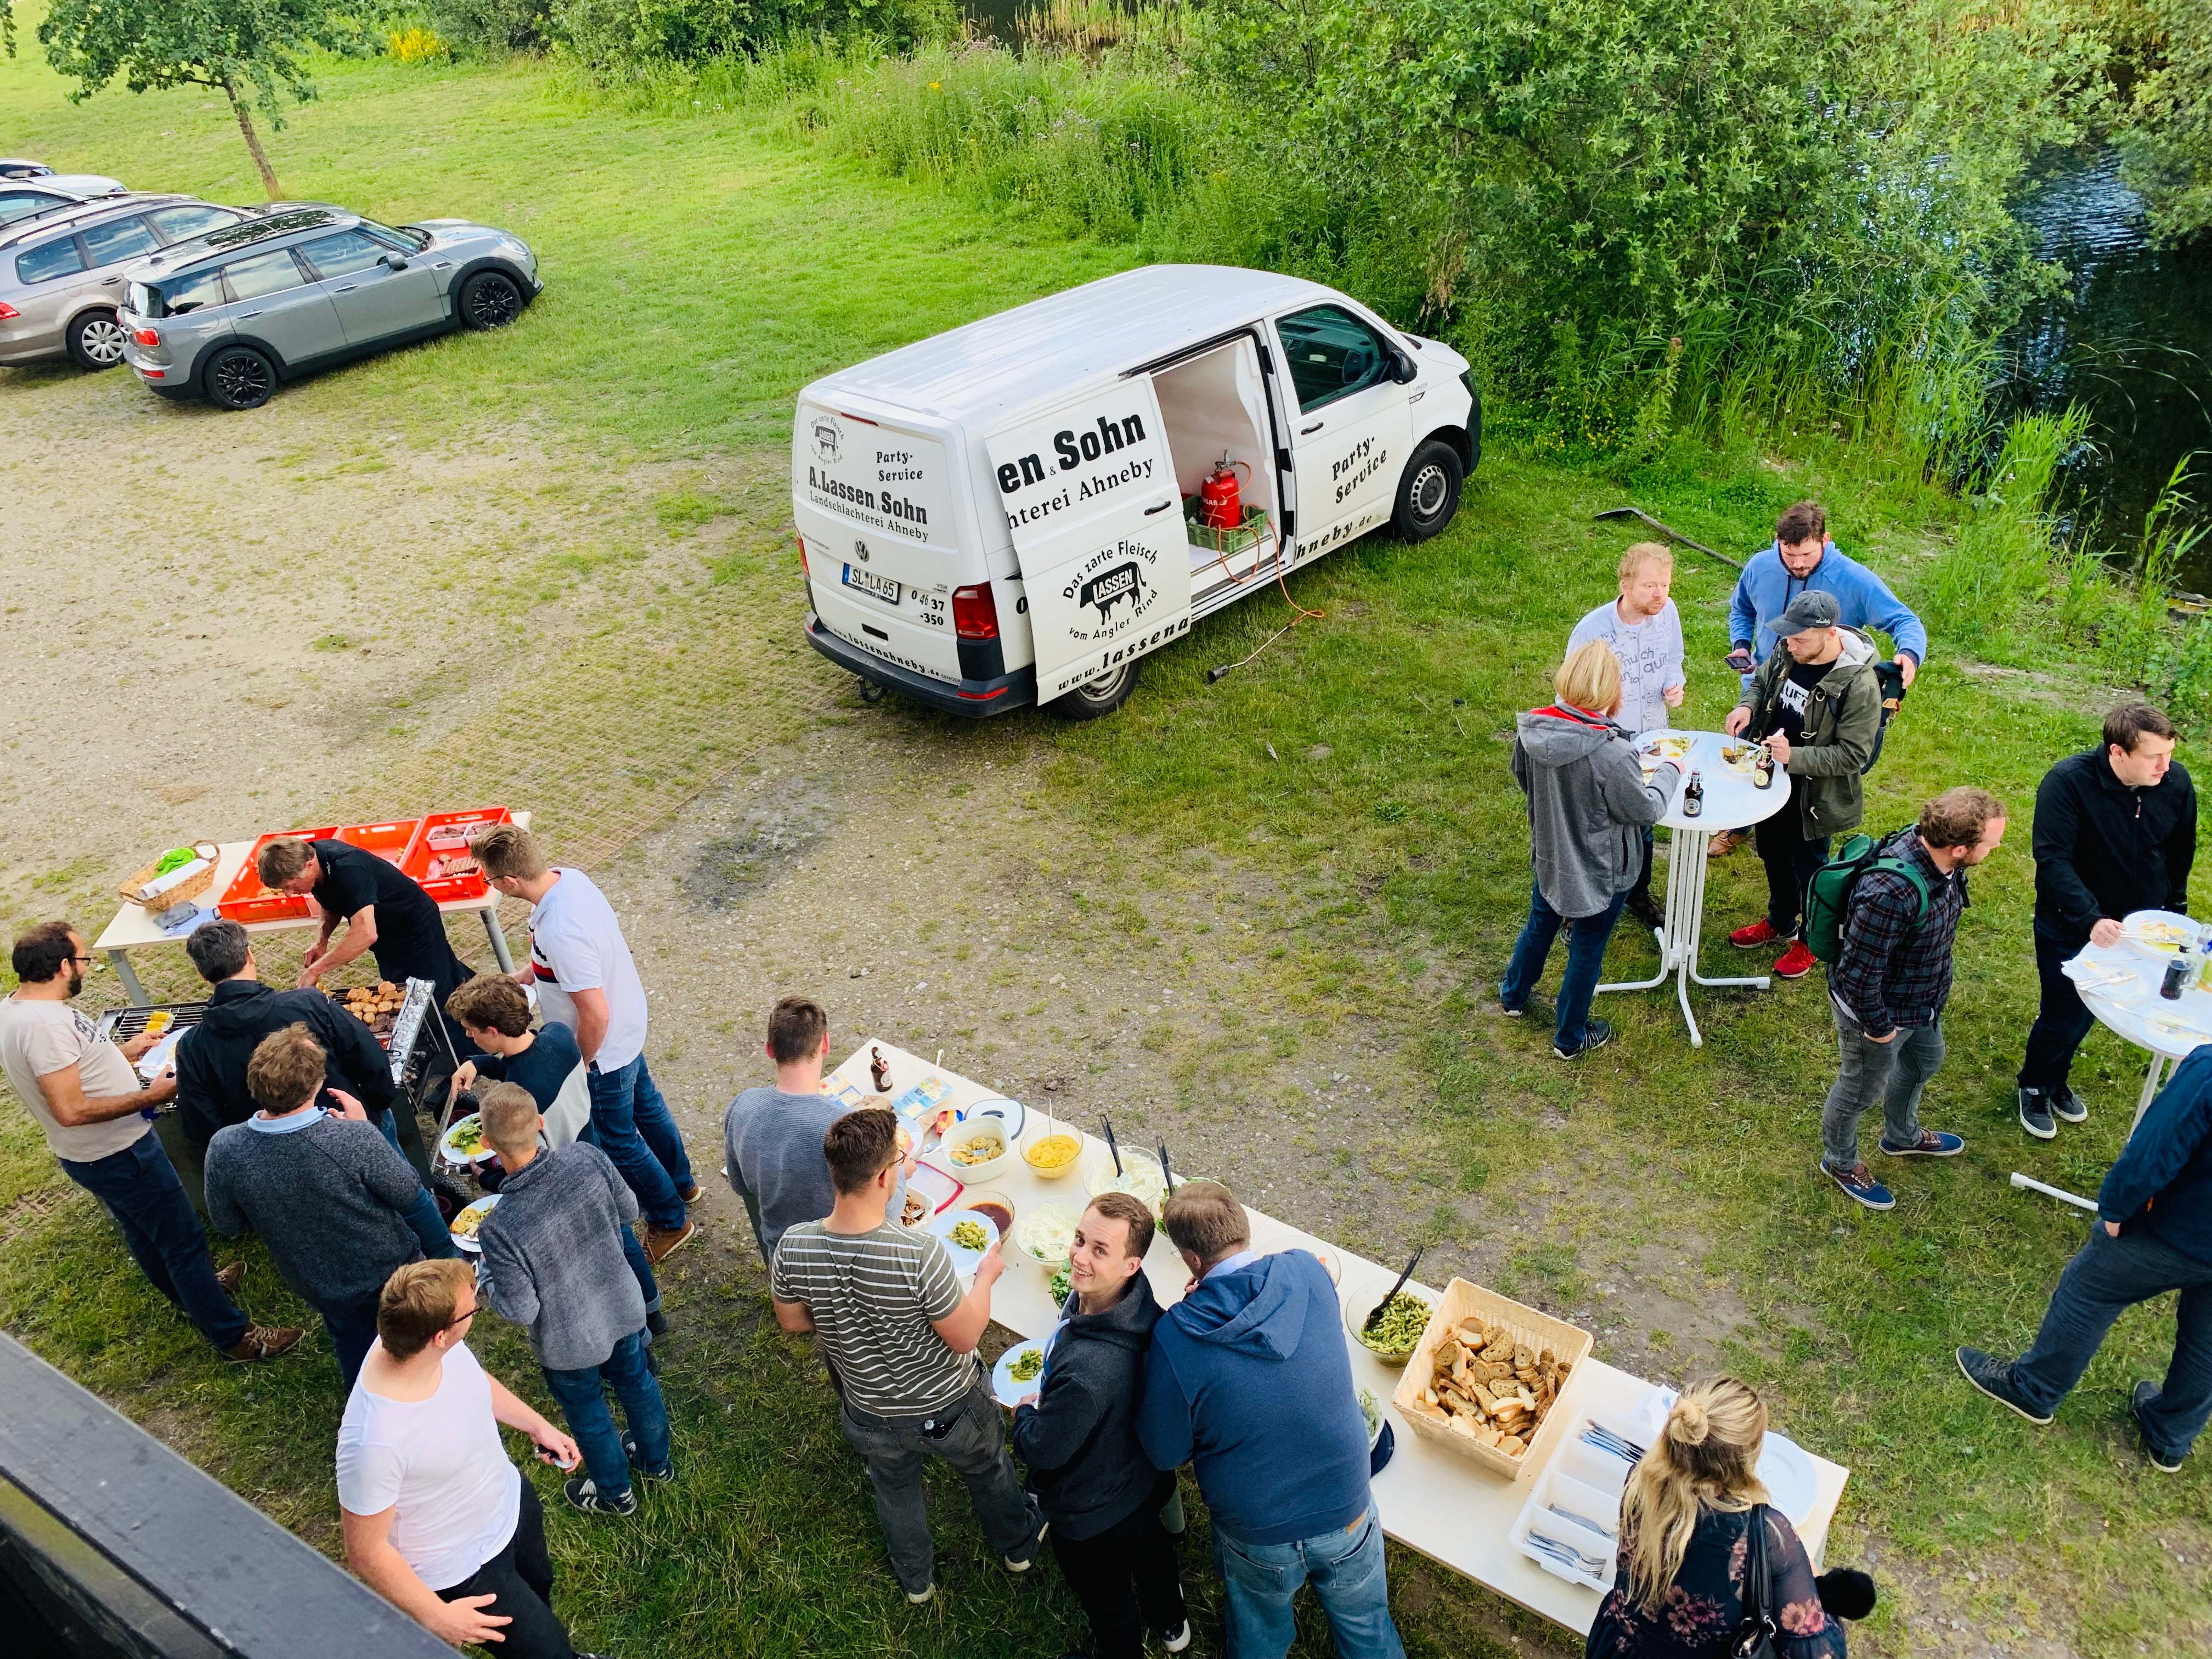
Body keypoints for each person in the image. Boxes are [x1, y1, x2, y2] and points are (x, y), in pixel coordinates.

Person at [771, 1107, 1046, 1604]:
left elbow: (792, 1320)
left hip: (869, 1410)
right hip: (949, 1406)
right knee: (987, 1469)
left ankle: (917, 1580)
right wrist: (985, 1278)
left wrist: (843, 1311)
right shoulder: (917, 1253)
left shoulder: (795, 1244)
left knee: (894, 1488)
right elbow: (964, 1338)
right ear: (883, 1177)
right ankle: (1018, 1545)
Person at [1, 921, 298, 1365]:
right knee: (182, 1243)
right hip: (117, 1153)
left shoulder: (20, 1009)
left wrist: (125, 1051)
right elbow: (70, 1109)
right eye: (83, 960)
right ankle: (234, 1337)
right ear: (63, 966)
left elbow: (69, 1068)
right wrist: (154, 1096)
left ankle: (191, 1293)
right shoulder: (45, 1028)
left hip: (96, 1155)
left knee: (144, 1234)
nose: (87, 968)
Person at [1136, 1181, 1403, 1659]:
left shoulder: (1176, 1336)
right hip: (1347, 1507)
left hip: (1256, 1532)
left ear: (1192, 1261)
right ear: (1244, 1228)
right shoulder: (1307, 1271)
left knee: (1260, 1638)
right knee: (1368, 1629)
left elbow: (1165, 1451)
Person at [1957, 1040, 2212, 1472]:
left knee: (2091, 1289)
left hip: (2182, 1229)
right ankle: (2170, 1435)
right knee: (2207, 1339)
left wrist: (2116, 1206)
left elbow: (2156, 1148)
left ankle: (2034, 1389)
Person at [337, 1259, 606, 1659]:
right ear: (440, 1335)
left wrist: (536, 1426)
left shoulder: (419, 1343)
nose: (476, 1310)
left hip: (510, 1505)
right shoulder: (374, 1442)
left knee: (540, 1590)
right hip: (463, 1568)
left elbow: (473, 1379)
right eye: (473, 1308)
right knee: (547, 1650)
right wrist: (435, 1615)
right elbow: (365, 1550)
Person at [472, 825, 698, 1266]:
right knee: (648, 1110)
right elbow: (561, 959)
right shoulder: (568, 880)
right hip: (629, 1026)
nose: (491, 886)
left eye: (490, 880)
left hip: (605, 1050)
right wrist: (528, 973)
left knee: (619, 1141)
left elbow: (595, 1014)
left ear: (510, 883)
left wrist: (579, 1063)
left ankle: (671, 1220)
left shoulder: (561, 931)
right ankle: (682, 1182)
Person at [203, 1024, 458, 1390]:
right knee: (423, 1339)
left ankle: (369, 1411)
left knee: (352, 1344)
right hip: (390, 1272)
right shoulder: (351, 1138)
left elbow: (228, 1224)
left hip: (317, 1282)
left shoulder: (225, 1149)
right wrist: (448, 1257)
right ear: (316, 1084)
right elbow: (412, 1199)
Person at [474, 1082, 674, 1516]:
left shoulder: (498, 1228)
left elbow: (521, 1309)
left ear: (487, 1144)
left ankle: (615, 1494)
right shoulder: (586, 1158)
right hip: (621, 1306)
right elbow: (629, 1211)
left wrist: (486, 1274)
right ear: (540, 1124)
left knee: (589, 1415)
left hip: (568, 1344)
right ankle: (658, 1464)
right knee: (638, 1383)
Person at [1011, 1193, 1189, 1659]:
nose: (1078, 1256)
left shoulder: (1089, 1374)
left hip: (1090, 1511)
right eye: (1079, 1239)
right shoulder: (1141, 1303)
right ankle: (1172, 1623)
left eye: (1098, 1250)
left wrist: (1025, 1414)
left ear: (1131, 1264)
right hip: (1143, 1481)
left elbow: (1044, 1450)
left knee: (1107, 1600)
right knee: (1154, 1559)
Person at [1818, 788, 2006, 1211]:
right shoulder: (1889, 894)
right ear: (1959, 849)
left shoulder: (1942, 860)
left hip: (1922, 1001)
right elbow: (1857, 976)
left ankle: (1901, 1137)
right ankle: (1840, 1161)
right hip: (1882, 1015)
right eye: (1991, 844)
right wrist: (1881, 1031)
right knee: (1859, 1092)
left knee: (1925, 1061)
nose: (1995, 849)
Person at [2016, 703, 2197, 1140]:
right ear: (2117, 752)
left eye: (2169, 754)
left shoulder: (2174, 783)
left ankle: (2057, 1078)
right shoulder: (2068, 783)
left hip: (2136, 928)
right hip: (2071, 921)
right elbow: (2053, 858)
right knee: (2063, 1009)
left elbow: (2180, 849)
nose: (2165, 766)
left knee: (2100, 1005)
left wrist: (2175, 907)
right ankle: (2035, 1084)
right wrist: (2090, 918)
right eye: (2154, 757)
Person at [445, 977, 664, 1334]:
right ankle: (652, 1310)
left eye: (472, 1032)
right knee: (620, 1236)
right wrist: (480, 1062)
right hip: (589, 1151)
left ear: (493, 1030)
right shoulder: (559, 1035)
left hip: (560, 1180)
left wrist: (486, 1177)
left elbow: (528, 1170)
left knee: (599, 1258)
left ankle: (629, 1331)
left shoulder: (520, 1097)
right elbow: (529, 1064)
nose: (470, 1037)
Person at [1709, 499, 1926, 859]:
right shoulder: (1760, 567)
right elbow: (1742, 608)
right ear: (1777, 540)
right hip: (1767, 685)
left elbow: (1905, 621)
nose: (1796, 564)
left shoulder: (1854, 579)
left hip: (1822, 704)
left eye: (1806, 555)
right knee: (1752, 760)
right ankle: (1740, 824)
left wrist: (1910, 654)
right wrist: (1742, 644)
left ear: (1825, 540)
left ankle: (1806, 844)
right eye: (1788, 553)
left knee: (1805, 777)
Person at [1500, 640, 1684, 1059]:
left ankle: (1513, 997)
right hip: (1606, 871)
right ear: (1612, 692)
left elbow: (1523, 778)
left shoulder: (1533, 730)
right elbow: (1646, 810)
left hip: (1551, 856)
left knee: (1540, 925)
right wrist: (1671, 772)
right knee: (1586, 950)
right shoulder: (1614, 755)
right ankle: (1570, 1037)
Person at [1585, 1377, 1845, 1657]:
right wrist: (1817, 1582)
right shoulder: (1767, 1535)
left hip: (1620, 1649)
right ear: (1750, 1456)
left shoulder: (1641, 1481)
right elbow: (1822, 1653)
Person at [173, 917, 426, 1178]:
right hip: (349, 1129)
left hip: (275, 1165)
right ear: (250, 955)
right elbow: (371, 1060)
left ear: (202, 974)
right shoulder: (307, 1004)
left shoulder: (192, 1047)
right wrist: (376, 1112)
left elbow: (203, 1128)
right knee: (401, 1189)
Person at [1724, 591, 1883, 980]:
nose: (1790, 647)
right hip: (1770, 778)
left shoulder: (1860, 686)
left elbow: (1852, 757)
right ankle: (1780, 923)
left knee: (1811, 868)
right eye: (1788, 638)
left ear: (1828, 634)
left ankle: (1812, 941)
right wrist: (1747, 705)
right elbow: (1761, 682)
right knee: (1773, 853)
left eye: (1800, 641)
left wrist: (1793, 757)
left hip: (1816, 795)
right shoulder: (1788, 648)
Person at [724, 996, 913, 1266]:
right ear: (825, 1043)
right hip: (841, 1268)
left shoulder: (741, 1105)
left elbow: (740, 1185)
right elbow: (887, 1213)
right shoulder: (845, 1130)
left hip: (782, 1259)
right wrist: (900, 1172)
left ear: (769, 1049)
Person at [1566, 541, 1687, 932]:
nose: (1660, 595)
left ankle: (1638, 894)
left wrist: (1674, 684)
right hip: (1604, 742)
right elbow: (1569, 692)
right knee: (1596, 825)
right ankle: (1577, 905)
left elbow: (1674, 660)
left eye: (1666, 586)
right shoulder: (1593, 630)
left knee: (1643, 822)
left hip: (1651, 739)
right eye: (1650, 586)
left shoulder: (1668, 614)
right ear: (1625, 584)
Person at [256, 834, 477, 1014]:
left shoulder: (349, 868)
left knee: (429, 994)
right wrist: (322, 941)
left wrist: (316, 970)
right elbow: (332, 901)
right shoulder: (313, 865)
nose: (289, 893)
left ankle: (465, 1050)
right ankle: (484, 1006)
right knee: (402, 986)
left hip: (412, 924)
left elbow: (365, 933)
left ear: (309, 864)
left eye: (291, 886)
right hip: (385, 931)